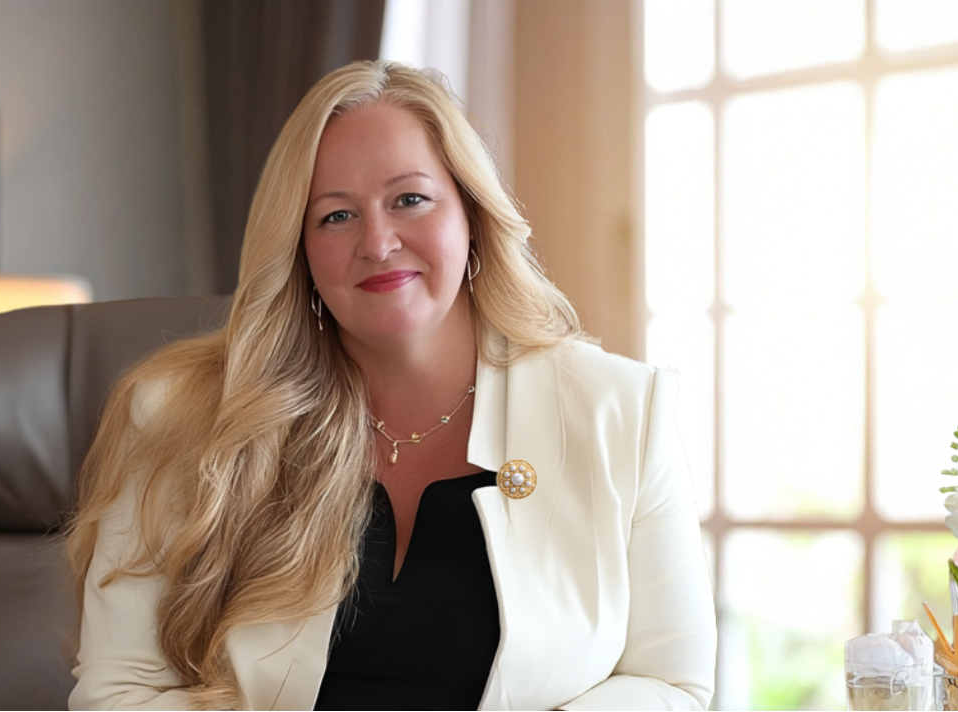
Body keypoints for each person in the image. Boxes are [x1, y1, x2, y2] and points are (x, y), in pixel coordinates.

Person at [65, 60, 715, 711]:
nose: (377, 242)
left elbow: (673, 682)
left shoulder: (620, 411)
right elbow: (120, 690)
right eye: (336, 216)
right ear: (299, 252)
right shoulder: (180, 416)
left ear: (472, 214)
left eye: (410, 199)